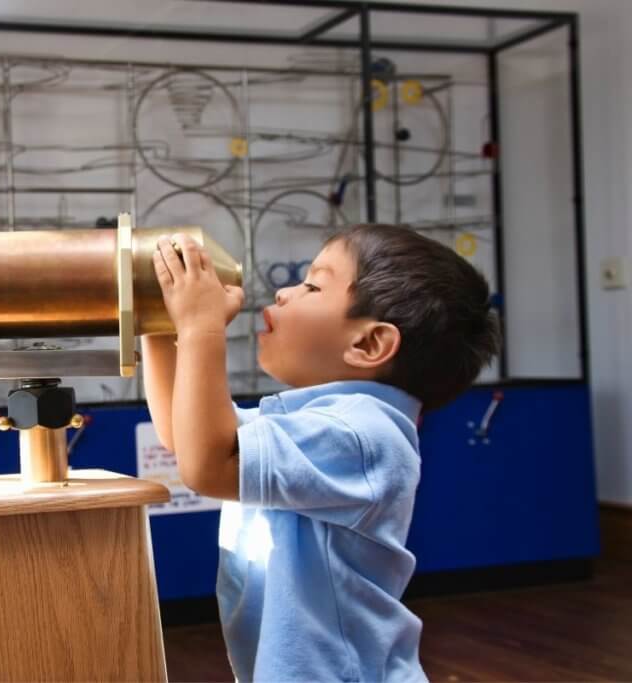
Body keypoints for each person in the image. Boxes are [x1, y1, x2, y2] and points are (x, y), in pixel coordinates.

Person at [143, 224, 501, 682]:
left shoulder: (362, 434)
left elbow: (207, 464)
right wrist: (158, 323)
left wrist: (201, 327)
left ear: (368, 344)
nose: (285, 293)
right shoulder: (316, 423)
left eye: (312, 285)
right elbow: (184, 434)